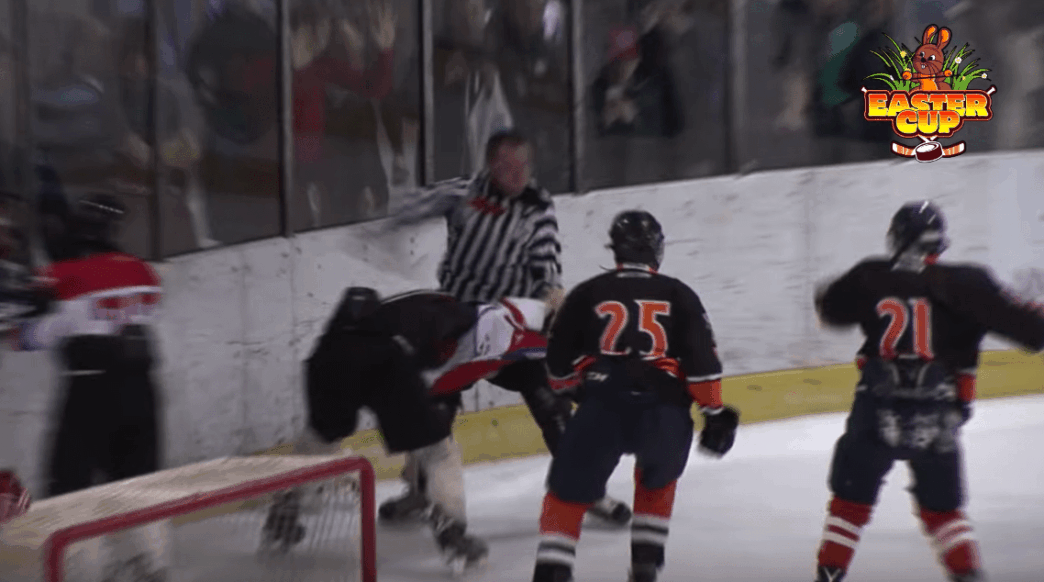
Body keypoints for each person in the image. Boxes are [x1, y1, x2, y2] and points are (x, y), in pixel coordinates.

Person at [383, 128, 633, 526]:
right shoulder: (462, 192)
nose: (517, 174)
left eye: (523, 165)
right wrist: (386, 223)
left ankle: (587, 487)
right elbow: (406, 206)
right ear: (490, 165)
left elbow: (546, 257)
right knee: (435, 405)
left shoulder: (537, 206)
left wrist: (551, 291)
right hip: (458, 322)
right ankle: (420, 490)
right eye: (507, 165)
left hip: (511, 324)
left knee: (548, 397)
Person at [810, 201, 1044, 582]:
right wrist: (1030, 308)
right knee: (945, 512)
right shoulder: (969, 283)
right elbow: (1034, 334)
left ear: (897, 239)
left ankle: (830, 574)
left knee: (849, 504)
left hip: (875, 406)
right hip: (939, 412)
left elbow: (830, 310)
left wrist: (827, 294)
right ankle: (967, 575)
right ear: (940, 243)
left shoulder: (870, 275)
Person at [267, 285, 553, 571]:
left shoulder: (420, 307)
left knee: (321, 437)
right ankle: (452, 535)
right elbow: (436, 354)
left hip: (328, 354)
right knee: (439, 451)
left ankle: (283, 515)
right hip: (385, 360)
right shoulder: (468, 316)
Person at [531, 210, 739, 582]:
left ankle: (553, 570)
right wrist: (713, 411)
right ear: (657, 249)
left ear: (615, 250)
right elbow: (702, 363)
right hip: (663, 409)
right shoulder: (679, 294)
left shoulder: (587, 292)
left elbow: (557, 367)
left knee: (566, 493)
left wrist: (576, 389)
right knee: (657, 481)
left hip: (602, 407)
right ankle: (644, 567)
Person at [14, 193, 163, 498]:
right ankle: (152, 546)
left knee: (70, 488)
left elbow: (37, 335)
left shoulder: (62, 275)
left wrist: (14, 334)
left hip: (91, 392)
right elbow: (146, 306)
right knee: (141, 488)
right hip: (142, 390)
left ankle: (79, 546)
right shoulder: (142, 271)